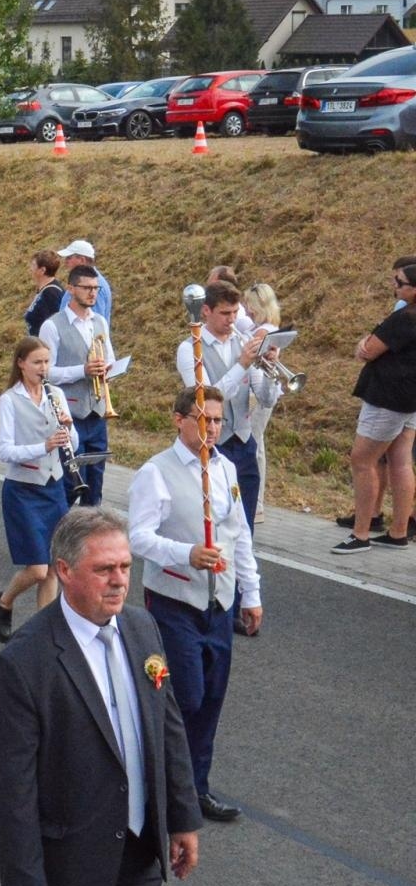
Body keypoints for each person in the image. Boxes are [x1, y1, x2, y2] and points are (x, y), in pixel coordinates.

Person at [0, 507, 202, 886]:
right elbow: (12, 784)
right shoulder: (24, 663)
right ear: (64, 571)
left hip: (138, 851)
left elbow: (168, 727)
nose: (119, 580)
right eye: (104, 569)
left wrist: (182, 817)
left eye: (125, 566)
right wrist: (22, 880)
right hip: (67, 867)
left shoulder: (142, 628)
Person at [129, 387, 262, 823]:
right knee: (184, 696)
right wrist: (185, 553)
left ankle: (195, 788)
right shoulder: (155, 472)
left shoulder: (226, 469)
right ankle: (156, 785)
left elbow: (239, 535)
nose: (214, 428)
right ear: (179, 420)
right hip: (174, 601)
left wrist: (251, 593)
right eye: (205, 419)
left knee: (211, 701)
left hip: (219, 603)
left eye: (219, 420)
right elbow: (138, 538)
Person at [0, 337, 79, 643]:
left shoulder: (56, 394)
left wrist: (68, 429)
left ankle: (45, 634)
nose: (43, 368)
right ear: (21, 364)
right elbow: (5, 451)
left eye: (46, 362)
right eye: (37, 362)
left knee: (53, 567)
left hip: (53, 488)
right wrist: (44, 446)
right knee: (38, 569)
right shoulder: (9, 400)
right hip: (23, 489)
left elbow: (74, 443)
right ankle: (4, 601)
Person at [175, 279, 281, 532]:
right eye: (225, 313)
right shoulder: (189, 348)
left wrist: (271, 369)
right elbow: (206, 399)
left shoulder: (242, 341)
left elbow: (266, 398)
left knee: (246, 524)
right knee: (215, 524)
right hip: (211, 444)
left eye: (235, 312)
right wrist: (242, 364)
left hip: (244, 443)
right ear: (206, 311)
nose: (232, 320)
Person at [333, 256, 416, 553]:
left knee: (362, 460)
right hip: (410, 399)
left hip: (387, 398)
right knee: (401, 462)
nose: (395, 286)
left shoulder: (404, 317)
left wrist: (364, 343)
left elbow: (368, 350)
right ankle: (398, 531)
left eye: (400, 283)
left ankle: (361, 533)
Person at [39, 265, 115, 508]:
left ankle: (89, 529)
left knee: (95, 483)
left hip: (97, 411)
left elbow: (110, 358)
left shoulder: (100, 321)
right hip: (69, 414)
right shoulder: (52, 326)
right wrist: (82, 370)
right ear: (71, 289)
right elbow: (45, 372)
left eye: (96, 288)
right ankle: (57, 527)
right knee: (70, 483)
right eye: (86, 288)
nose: (92, 293)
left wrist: (109, 369)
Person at [242, 282, 281, 523]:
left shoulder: (262, 332)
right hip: (263, 389)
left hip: (257, 393)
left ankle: (254, 504)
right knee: (259, 447)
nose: (246, 309)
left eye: (249, 304)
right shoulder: (269, 327)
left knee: (253, 446)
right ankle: (257, 504)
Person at [56, 238, 113, 322]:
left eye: (69, 257)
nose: (66, 261)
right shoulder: (80, 281)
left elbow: (94, 323)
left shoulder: (95, 286)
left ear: (82, 260)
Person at [22, 249, 65, 338]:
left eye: (33, 265)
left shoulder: (51, 293)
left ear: (42, 270)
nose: (30, 268)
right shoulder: (44, 289)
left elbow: (55, 326)